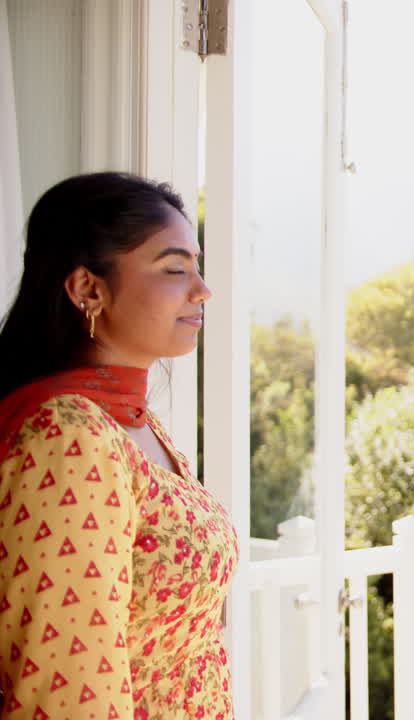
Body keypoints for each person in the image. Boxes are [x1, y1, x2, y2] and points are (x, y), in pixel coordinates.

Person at [0, 173, 237, 718]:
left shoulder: (133, 424)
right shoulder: (67, 437)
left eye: (196, 268)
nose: (201, 290)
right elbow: (67, 697)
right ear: (88, 289)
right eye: (175, 269)